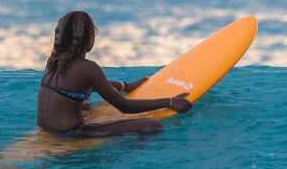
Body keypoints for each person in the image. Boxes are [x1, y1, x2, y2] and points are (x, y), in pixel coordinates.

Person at [37, 11, 192, 136]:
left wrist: (126, 86)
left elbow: (88, 84)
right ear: (89, 40)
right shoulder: (88, 68)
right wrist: (170, 102)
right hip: (70, 133)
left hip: (45, 128)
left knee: (85, 104)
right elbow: (125, 107)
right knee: (152, 126)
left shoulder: (52, 62)